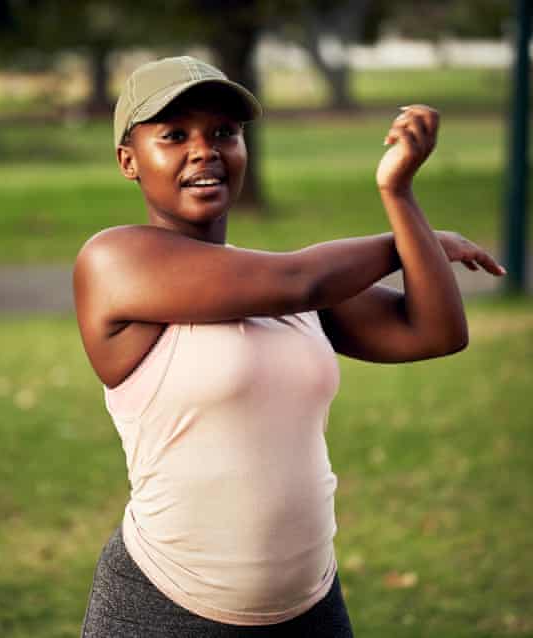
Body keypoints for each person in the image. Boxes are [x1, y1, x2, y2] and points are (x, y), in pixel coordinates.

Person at [73, 56, 506, 638]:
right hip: (164, 609)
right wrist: (409, 243)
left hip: (311, 608)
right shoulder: (113, 262)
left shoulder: (286, 288)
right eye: (174, 135)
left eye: (224, 133)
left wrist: (399, 194)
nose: (205, 150)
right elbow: (297, 279)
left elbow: (433, 332)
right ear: (129, 160)